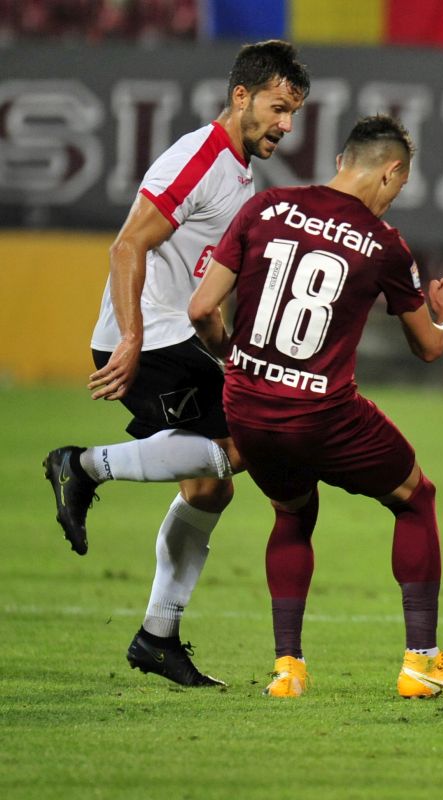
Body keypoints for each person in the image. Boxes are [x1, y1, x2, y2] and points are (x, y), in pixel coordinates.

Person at [188, 114, 443, 700]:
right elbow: (428, 347)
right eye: (400, 184)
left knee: (292, 513)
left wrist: (235, 359)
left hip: (248, 405)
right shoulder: (383, 243)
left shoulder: (264, 207)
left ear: (339, 162)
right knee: (415, 497)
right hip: (324, 415)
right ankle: (421, 662)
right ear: (392, 171)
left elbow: (202, 309)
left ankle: (288, 670)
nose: (395, 195)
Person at [42, 40, 310, 686]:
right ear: (241, 96)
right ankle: (81, 466)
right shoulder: (200, 157)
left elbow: (203, 291)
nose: (285, 125)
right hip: (145, 336)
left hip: (173, 333)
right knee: (248, 441)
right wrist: (132, 337)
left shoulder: (239, 174)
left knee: (210, 485)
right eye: (278, 109)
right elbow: (126, 245)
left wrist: (230, 355)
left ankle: (156, 638)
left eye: (293, 114)